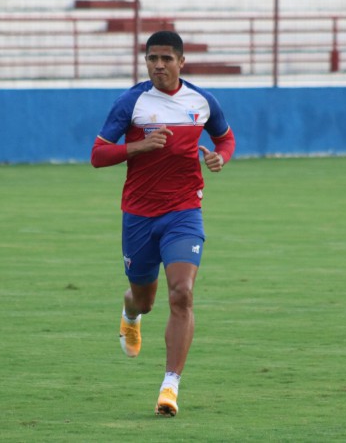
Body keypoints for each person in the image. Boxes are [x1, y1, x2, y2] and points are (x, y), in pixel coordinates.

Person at [90, 30, 236, 417]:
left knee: (182, 294)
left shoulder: (201, 101)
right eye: (152, 58)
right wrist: (139, 146)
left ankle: (170, 385)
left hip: (184, 211)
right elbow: (98, 154)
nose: (158, 65)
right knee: (146, 299)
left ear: (181, 62)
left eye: (166, 59)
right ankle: (130, 313)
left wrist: (220, 157)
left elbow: (225, 138)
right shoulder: (132, 101)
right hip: (138, 215)